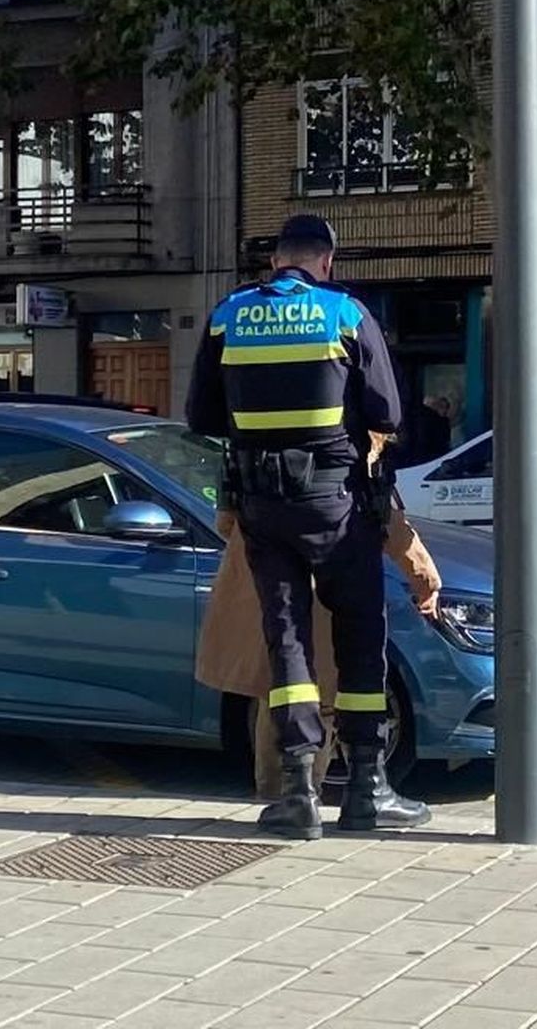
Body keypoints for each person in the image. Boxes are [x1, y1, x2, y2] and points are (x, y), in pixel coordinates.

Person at [186, 213, 429, 839]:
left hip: (263, 507)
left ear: (275, 262)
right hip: (338, 503)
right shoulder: (345, 313)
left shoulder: (227, 315)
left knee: (287, 638)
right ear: (327, 261)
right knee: (358, 640)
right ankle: (369, 791)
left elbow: (201, 415)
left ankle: (298, 794)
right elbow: (388, 411)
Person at [197, 431, 442, 800]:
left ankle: (282, 799)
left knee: (278, 692)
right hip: (328, 579)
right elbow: (387, 517)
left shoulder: (257, 440)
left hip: (262, 576)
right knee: (327, 695)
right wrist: (424, 576)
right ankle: (337, 794)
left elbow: (225, 521)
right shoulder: (351, 441)